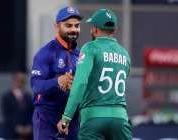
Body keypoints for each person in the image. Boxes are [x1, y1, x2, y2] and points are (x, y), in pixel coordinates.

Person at [57, 9, 133, 140]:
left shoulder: (90, 48)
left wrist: (66, 118)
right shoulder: (125, 54)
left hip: (93, 118)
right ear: (114, 30)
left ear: (95, 29)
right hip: (120, 120)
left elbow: (80, 83)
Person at [30, 6, 82, 140]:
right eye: (68, 25)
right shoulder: (45, 53)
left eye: (77, 26)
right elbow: (36, 86)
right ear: (57, 26)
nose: (73, 29)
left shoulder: (81, 55)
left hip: (71, 118)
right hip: (47, 116)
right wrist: (57, 81)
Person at [0, 71, 34, 140]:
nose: (20, 83)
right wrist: (17, 127)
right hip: (11, 134)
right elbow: (7, 115)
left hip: (28, 135)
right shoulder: (6, 97)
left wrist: (29, 127)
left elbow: (32, 113)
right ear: (13, 81)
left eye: (22, 81)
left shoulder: (29, 97)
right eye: (18, 81)